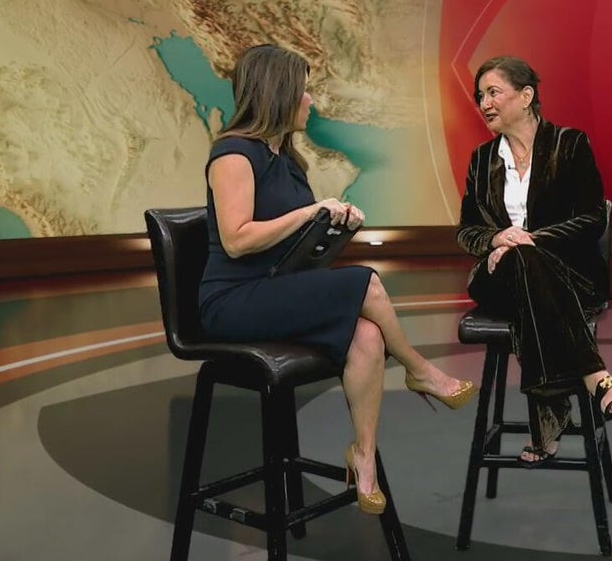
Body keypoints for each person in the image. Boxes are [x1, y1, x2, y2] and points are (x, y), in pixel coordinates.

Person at [199, 44, 477, 514]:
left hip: (273, 288)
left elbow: (291, 248)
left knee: (367, 335)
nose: (311, 101)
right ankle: (419, 370)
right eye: (304, 92)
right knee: (366, 282)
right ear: (279, 94)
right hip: (232, 301)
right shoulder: (233, 155)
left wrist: (330, 228)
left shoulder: (289, 162)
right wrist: (309, 212)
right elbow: (237, 240)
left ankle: (363, 457)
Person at [457, 56, 612, 468]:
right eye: (480, 96)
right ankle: (597, 378)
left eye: (493, 92)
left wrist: (528, 242)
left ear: (526, 96)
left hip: (566, 276)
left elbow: (592, 218)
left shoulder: (570, 145)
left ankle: (549, 416)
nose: (484, 103)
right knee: (522, 263)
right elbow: (467, 231)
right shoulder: (481, 160)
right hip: (497, 278)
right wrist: (497, 239)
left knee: (528, 264)